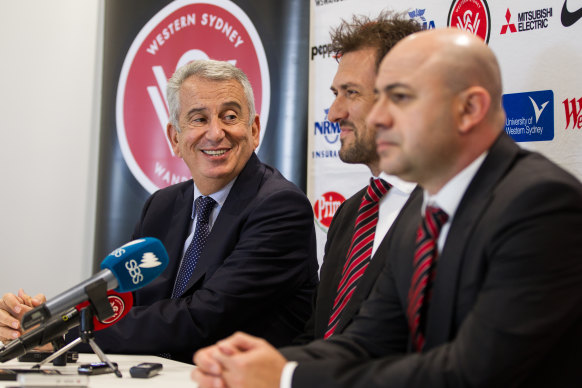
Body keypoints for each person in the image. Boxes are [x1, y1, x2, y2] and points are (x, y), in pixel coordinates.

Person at [192, 28, 582, 387]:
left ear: (469, 109)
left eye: (398, 97)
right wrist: (252, 366)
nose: (377, 117)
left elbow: (473, 372)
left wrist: (286, 377)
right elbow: (365, 341)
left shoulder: (541, 204)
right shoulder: (423, 214)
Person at [0, 60, 319, 363]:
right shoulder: (162, 206)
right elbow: (121, 304)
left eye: (230, 116)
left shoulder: (280, 207)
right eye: (198, 118)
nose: (215, 132)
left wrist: (62, 334)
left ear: (254, 129)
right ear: (175, 138)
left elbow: (202, 318)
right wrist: (48, 318)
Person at [294, 12, 420, 344]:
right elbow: (318, 335)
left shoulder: (445, 209)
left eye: (351, 93)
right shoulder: (350, 213)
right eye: (336, 93)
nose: (334, 113)